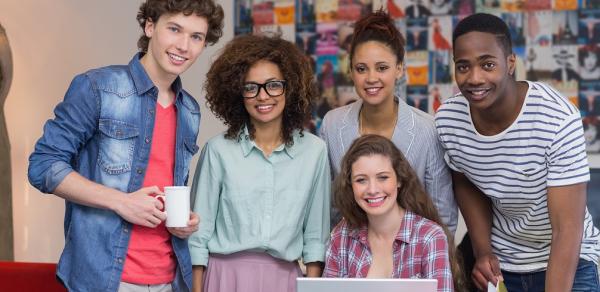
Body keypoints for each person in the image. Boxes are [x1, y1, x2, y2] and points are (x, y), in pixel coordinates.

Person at [27, 1, 224, 291]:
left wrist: (181, 222)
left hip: (170, 279)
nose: (184, 45)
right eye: (174, 29)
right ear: (150, 26)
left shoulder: (190, 111)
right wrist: (121, 201)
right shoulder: (97, 87)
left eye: (196, 37)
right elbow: (43, 165)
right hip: (105, 279)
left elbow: (165, 184)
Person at [435, 13, 600, 291]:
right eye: (463, 67)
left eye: (488, 64)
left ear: (510, 63)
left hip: (569, 259)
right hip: (503, 264)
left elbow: (567, 230)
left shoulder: (557, 119)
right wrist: (482, 250)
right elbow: (463, 177)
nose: (474, 78)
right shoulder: (449, 120)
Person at [188, 34, 331, 292]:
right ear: (238, 93)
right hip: (224, 278)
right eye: (251, 87)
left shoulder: (315, 152)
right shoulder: (217, 150)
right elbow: (199, 237)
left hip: (285, 281)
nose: (262, 96)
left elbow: (315, 238)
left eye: (273, 85)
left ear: (291, 88)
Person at [319, 10, 457, 234]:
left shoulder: (427, 129)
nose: (371, 78)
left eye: (382, 68)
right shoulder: (332, 125)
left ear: (399, 69)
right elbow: (330, 209)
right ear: (351, 72)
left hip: (413, 259)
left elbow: (442, 217)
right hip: (350, 259)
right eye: (361, 69)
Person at [323, 134, 462, 292]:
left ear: (399, 180)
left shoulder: (430, 237)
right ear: (350, 186)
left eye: (383, 177)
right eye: (361, 180)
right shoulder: (341, 236)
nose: (373, 190)